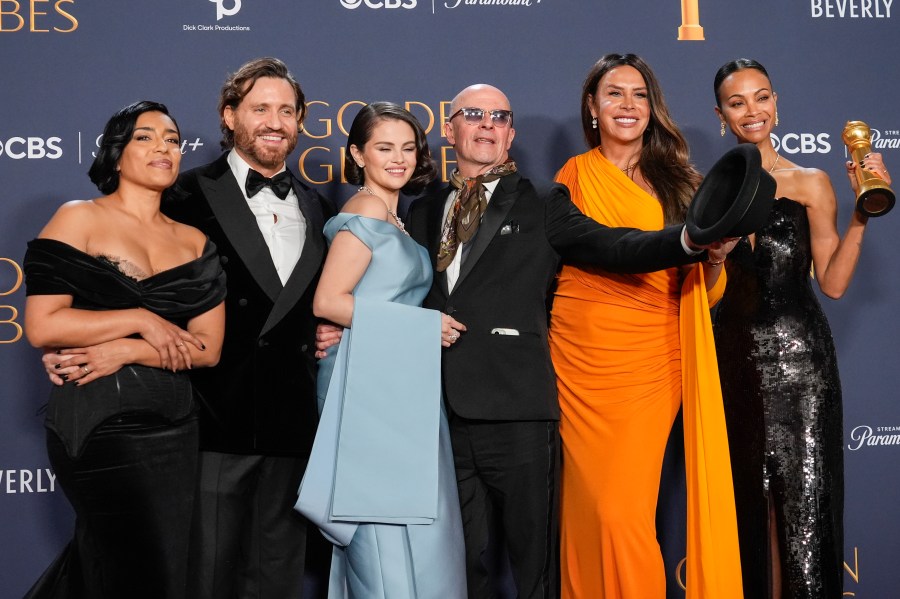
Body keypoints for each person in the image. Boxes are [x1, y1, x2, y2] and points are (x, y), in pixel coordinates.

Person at [403, 83, 733, 599]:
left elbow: (613, 245)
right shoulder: (421, 210)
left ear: (511, 132)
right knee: (458, 566)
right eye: (473, 115)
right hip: (439, 414)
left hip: (519, 410)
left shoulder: (543, 200)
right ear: (450, 129)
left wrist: (687, 242)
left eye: (499, 117)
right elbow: (396, 289)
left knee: (536, 566)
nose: (487, 124)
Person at [43, 57, 334, 598]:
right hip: (205, 422)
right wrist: (101, 344)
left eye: (287, 110)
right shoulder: (179, 192)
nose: (275, 121)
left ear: (301, 122)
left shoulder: (321, 206)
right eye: (259, 108)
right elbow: (117, 281)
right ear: (229, 116)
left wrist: (336, 331)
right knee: (201, 578)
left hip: (295, 424)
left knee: (276, 579)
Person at [548, 53, 742, 598]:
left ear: (653, 108)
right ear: (592, 106)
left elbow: (708, 291)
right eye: (614, 93)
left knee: (621, 511)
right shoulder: (574, 175)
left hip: (653, 357)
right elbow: (571, 253)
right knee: (586, 508)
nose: (627, 105)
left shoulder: (683, 181)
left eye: (638, 95)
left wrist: (718, 258)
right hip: (581, 356)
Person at [23, 101, 226, 599]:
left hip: (175, 428)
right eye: (145, 137)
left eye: (173, 140)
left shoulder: (194, 240)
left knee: (148, 571)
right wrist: (140, 321)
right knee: (134, 569)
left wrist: (128, 351)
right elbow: (43, 324)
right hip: (97, 424)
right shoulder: (79, 218)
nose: (163, 147)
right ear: (116, 153)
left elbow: (207, 349)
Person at [712, 58, 890, 599]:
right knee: (746, 508)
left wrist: (862, 213)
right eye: (737, 102)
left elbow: (833, 284)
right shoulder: (707, 190)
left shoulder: (811, 182)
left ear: (776, 103)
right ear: (721, 115)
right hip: (734, 362)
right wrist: (715, 256)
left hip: (802, 367)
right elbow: (701, 289)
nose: (752, 111)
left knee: (804, 510)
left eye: (761, 97)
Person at [296, 102, 467, 598]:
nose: (399, 159)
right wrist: (420, 325)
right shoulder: (367, 208)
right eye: (384, 147)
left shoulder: (398, 215)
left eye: (409, 148)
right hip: (367, 385)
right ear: (357, 153)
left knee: (410, 522)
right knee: (379, 523)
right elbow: (329, 301)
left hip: (398, 380)